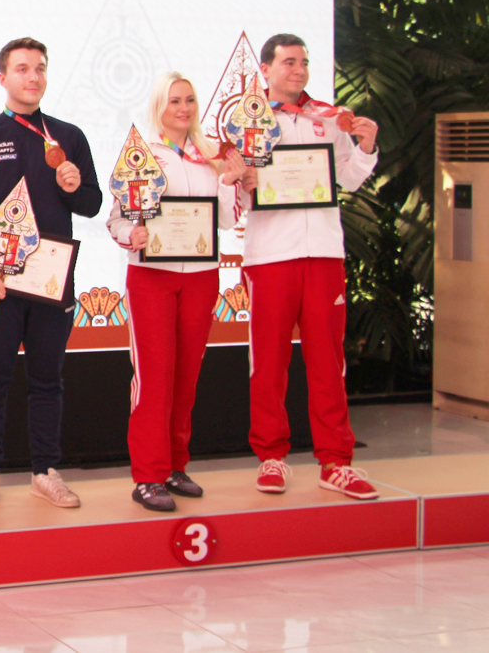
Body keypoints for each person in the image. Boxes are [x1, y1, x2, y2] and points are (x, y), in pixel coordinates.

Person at [0, 37, 103, 509]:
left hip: (50, 283)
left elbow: (92, 205)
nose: (33, 77)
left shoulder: (69, 137)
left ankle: (46, 470)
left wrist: (75, 185)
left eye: (40, 68)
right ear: (3, 78)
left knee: (48, 379)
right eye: (22, 69)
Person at [241, 34, 380, 499]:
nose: (298, 70)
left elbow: (349, 181)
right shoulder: (246, 122)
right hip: (270, 255)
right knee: (270, 361)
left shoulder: (329, 118)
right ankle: (272, 457)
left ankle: (336, 461)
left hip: (323, 253)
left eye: (303, 62)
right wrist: (243, 178)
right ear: (265, 69)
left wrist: (366, 146)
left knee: (327, 359)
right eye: (288, 62)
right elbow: (235, 196)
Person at [106, 73, 247, 511]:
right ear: (158, 107)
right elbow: (115, 220)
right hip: (152, 278)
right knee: (154, 378)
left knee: (186, 376)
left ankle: (174, 466)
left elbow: (226, 221)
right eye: (173, 101)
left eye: (188, 100)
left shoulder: (213, 157)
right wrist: (134, 235)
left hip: (202, 276)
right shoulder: (142, 155)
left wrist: (233, 181)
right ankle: (147, 475)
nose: (182, 108)